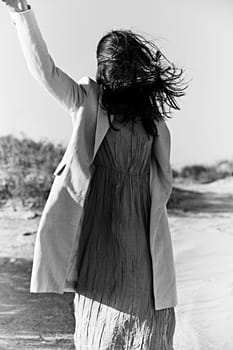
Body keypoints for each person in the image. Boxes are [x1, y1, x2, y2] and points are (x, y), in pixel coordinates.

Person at [2, 0, 187, 349]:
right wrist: (21, 12)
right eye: (112, 66)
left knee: (147, 322)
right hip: (97, 231)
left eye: (122, 66)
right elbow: (46, 71)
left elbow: (159, 181)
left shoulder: (151, 119)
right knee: (102, 327)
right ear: (103, 67)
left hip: (140, 236)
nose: (117, 73)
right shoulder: (86, 101)